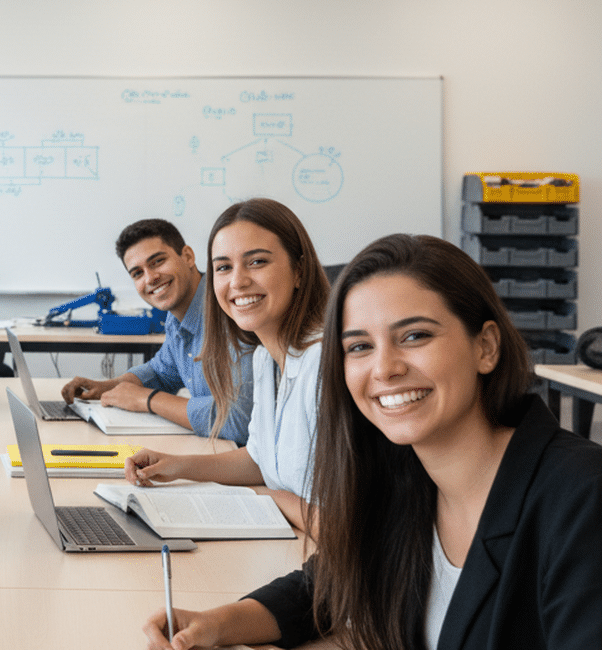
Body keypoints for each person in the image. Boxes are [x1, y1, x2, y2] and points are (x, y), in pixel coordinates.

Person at [142, 234, 602, 650]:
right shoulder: (404, 471)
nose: (385, 369)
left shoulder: (580, 496)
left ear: (485, 347)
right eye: (359, 347)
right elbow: (331, 580)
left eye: (415, 336)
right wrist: (216, 625)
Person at [125, 199, 328, 531]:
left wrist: (269, 496)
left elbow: (348, 527)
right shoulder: (265, 358)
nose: (238, 281)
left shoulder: (324, 365)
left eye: (257, 262)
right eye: (223, 267)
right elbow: (259, 459)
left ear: (299, 271)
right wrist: (178, 466)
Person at [60, 218, 253, 444]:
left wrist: (148, 399)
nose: (150, 278)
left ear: (188, 256)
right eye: (137, 273)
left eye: (158, 261)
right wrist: (108, 387)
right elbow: (162, 372)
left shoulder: (230, 310)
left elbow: (239, 419)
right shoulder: (176, 316)